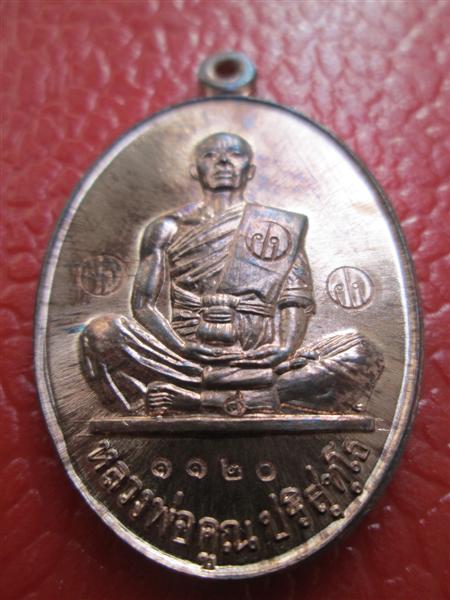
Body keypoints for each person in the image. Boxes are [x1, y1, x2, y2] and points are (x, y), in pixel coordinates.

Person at [80, 132, 383, 416]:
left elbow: (295, 298)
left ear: (250, 171)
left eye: (235, 154)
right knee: (102, 334)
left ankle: (197, 400)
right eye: (210, 155)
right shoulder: (166, 228)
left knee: (360, 351)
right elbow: (144, 305)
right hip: (186, 361)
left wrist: (284, 348)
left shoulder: (277, 226)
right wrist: (182, 347)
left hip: (263, 361)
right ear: (195, 170)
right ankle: (251, 395)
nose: (223, 161)